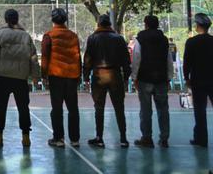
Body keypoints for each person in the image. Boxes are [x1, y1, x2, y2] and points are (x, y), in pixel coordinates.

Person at [0, 9, 39, 148]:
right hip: (21, 78)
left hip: (3, 77)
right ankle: (26, 138)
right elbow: (33, 58)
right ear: (17, 19)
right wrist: (35, 76)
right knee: (23, 108)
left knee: (1, 108)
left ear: (6, 19)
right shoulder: (26, 36)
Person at [83, 14, 131, 148]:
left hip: (98, 75)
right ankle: (123, 138)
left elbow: (87, 59)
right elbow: (126, 60)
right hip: (115, 75)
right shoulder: (119, 38)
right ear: (109, 24)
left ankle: (99, 137)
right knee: (119, 108)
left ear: (98, 24)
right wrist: (126, 77)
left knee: (99, 108)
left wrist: (86, 76)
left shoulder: (92, 38)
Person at [41, 8, 82, 148]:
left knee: (57, 108)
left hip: (56, 75)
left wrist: (43, 75)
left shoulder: (49, 35)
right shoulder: (73, 35)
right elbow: (78, 56)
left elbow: (45, 57)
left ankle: (58, 139)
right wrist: (79, 74)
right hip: (72, 75)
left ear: (52, 20)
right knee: (73, 108)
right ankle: (75, 139)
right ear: (65, 20)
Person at [132, 15, 173, 148]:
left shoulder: (140, 39)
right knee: (163, 109)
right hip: (161, 78)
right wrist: (169, 77)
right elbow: (168, 60)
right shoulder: (164, 39)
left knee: (145, 109)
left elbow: (136, 58)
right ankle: (164, 138)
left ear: (146, 24)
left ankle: (147, 138)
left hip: (145, 78)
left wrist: (134, 77)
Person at [183, 13, 213, 147]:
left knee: (200, 111)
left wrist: (186, 77)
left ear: (198, 26)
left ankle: (201, 139)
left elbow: (187, 62)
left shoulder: (192, 42)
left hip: (198, 80)